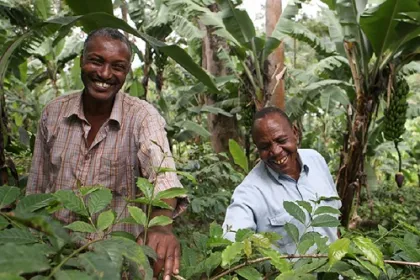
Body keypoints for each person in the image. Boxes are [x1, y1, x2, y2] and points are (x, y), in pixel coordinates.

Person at [26, 28, 187, 280]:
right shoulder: (52, 114)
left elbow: (163, 179)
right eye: (96, 61)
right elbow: (36, 190)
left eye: (118, 66)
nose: (104, 74)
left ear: (126, 71)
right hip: (57, 261)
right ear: (82, 60)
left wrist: (163, 227)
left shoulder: (142, 117)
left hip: (117, 266)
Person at [222, 107, 341, 254]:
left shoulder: (316, 160)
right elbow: (231, 243)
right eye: (265, 147)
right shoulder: (249, 193)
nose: (276, 151)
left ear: (295, 133)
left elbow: (334, 226)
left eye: (281, 140)